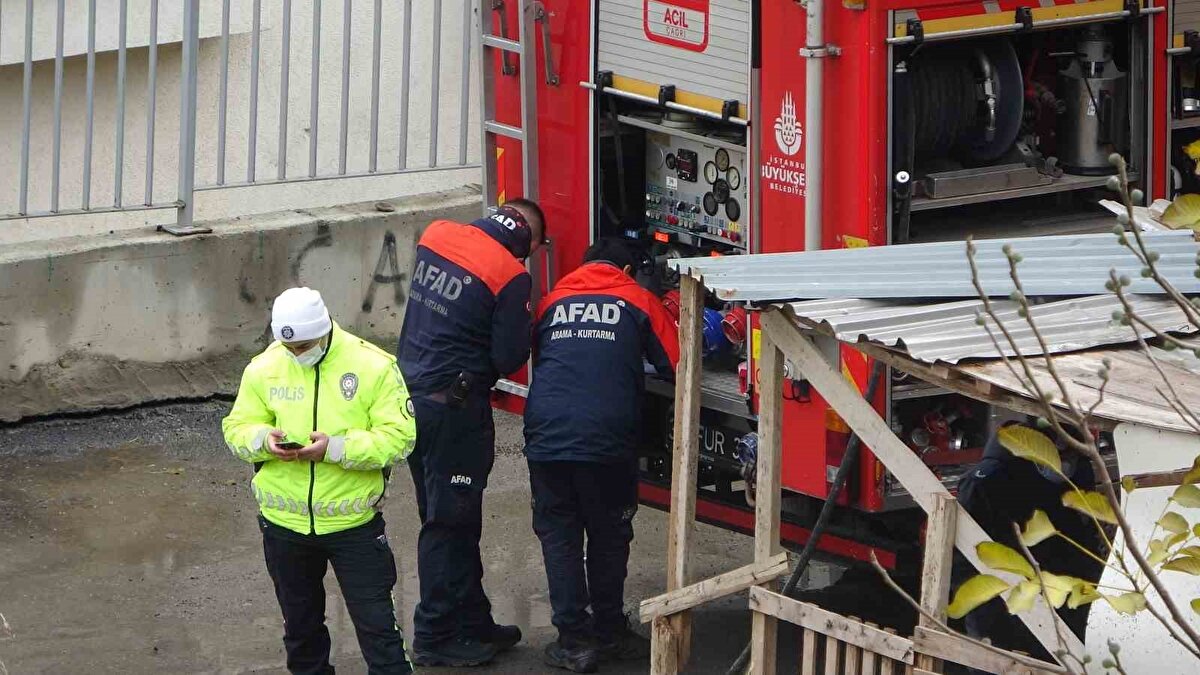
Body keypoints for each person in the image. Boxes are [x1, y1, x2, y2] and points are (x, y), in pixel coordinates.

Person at [222, 287, 417, 675]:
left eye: (305, 346)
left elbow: (399, 438)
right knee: (301, 634)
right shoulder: (264, 367)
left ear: (325, 330)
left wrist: (336, 448)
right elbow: (236, 427)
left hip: (353, 527)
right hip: (284, 528)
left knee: (380, 633)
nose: (297, 355)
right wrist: (263, 441)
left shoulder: (373, 366)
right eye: (289, 347)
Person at [396, 198, 548, 667]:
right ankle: (436, 635)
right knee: (450, 522)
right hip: (454, 412)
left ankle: (472, 619)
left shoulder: (436, 233)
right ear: (526, 240)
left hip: (407, 401)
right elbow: (508, 358)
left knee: (447, 515)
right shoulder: (509, 275)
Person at [523, 238, 679, 672]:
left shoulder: (552, 301)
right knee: (609, 535)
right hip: (607, 439)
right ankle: (610, 631)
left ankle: (574, 642)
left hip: (548, 435)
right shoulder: (638, 299)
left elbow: (545, 358)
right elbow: (677, 363)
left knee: (560, 535)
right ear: (627, 270)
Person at [952, 418, 1108, 665]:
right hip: (1002, 602)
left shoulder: (1076, 471)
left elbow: (1080, 533)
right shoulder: (988, 482)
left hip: (1061, 592)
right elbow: (963, 556)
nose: (1065, 464)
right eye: (1061, 455)